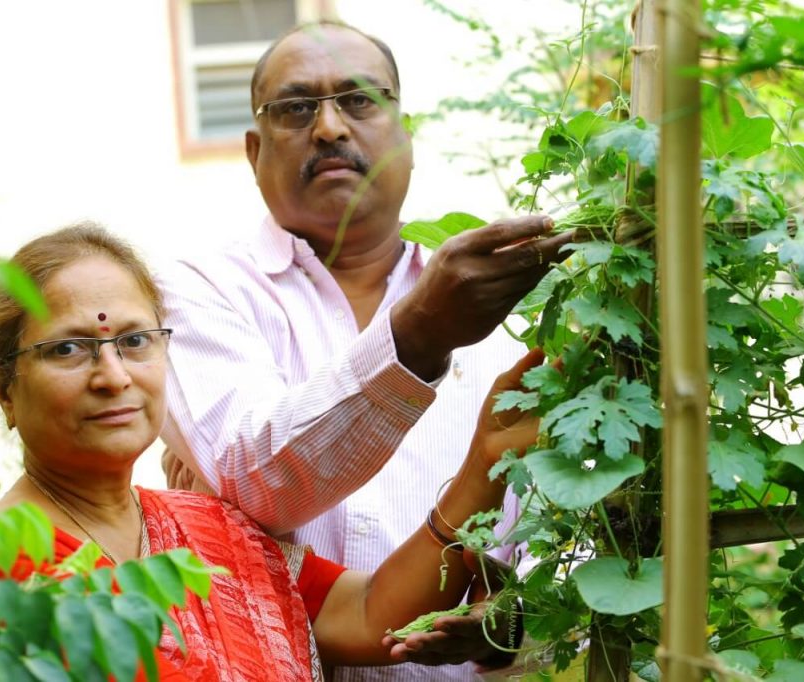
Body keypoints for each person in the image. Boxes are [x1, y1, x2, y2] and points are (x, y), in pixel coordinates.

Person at [159, 22, 573, 680]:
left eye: (359, 100)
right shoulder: (199, 292)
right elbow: (254, 480)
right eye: (295, 107)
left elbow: (574, 525)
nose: (328, 128)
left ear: (406, 134)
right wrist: (418, 339)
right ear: (252, 148)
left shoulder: (509, 299)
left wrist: (518, 619)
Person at [0, 223, 542, 680]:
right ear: (4, 386)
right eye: (69, 349)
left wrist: (485, 463)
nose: (113, 376)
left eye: (134, 341)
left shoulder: (212, 527)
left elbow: (369, 616)